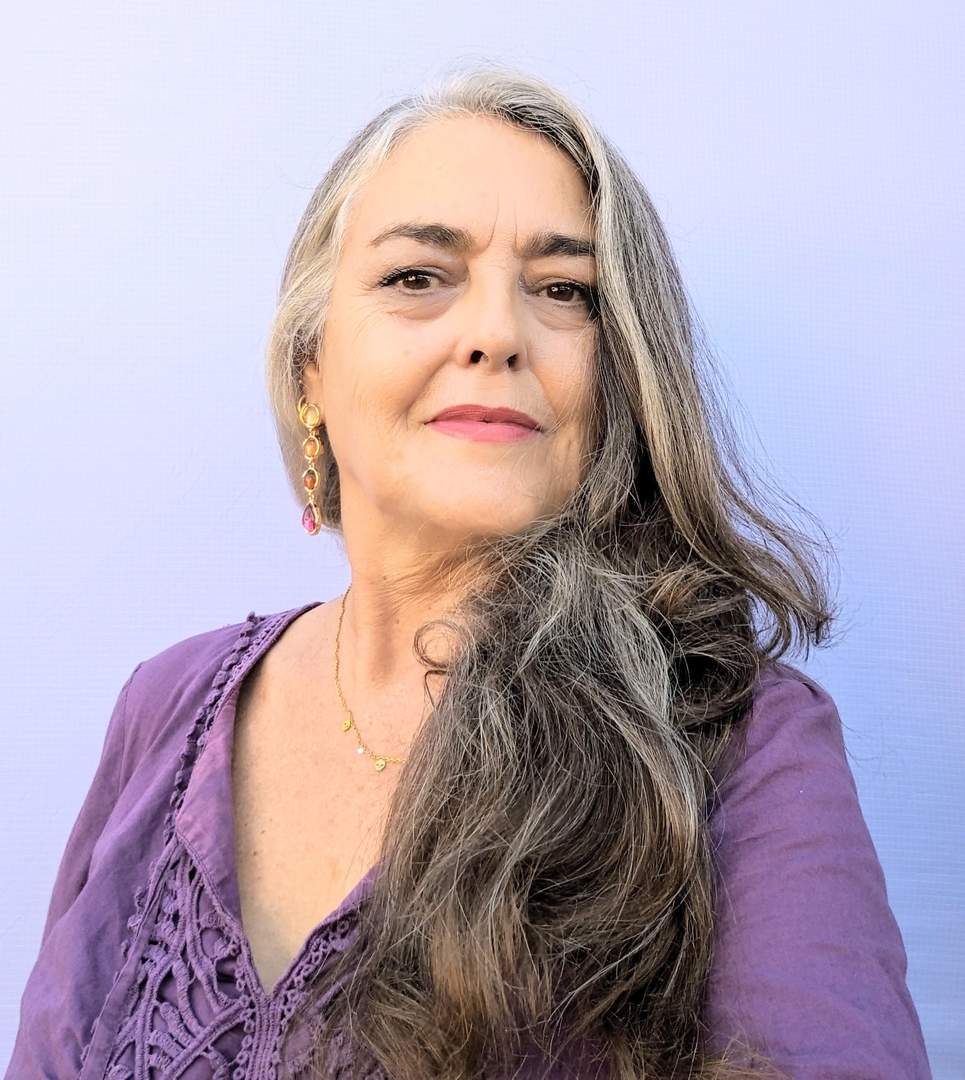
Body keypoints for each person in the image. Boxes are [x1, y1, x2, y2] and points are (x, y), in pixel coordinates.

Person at [7, 69, 931, 1080]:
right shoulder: (164, 708)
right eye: (418, 277)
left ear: (620, 378)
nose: (495, 333)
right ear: (312, 368)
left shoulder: (736, 743)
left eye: (564, 291)